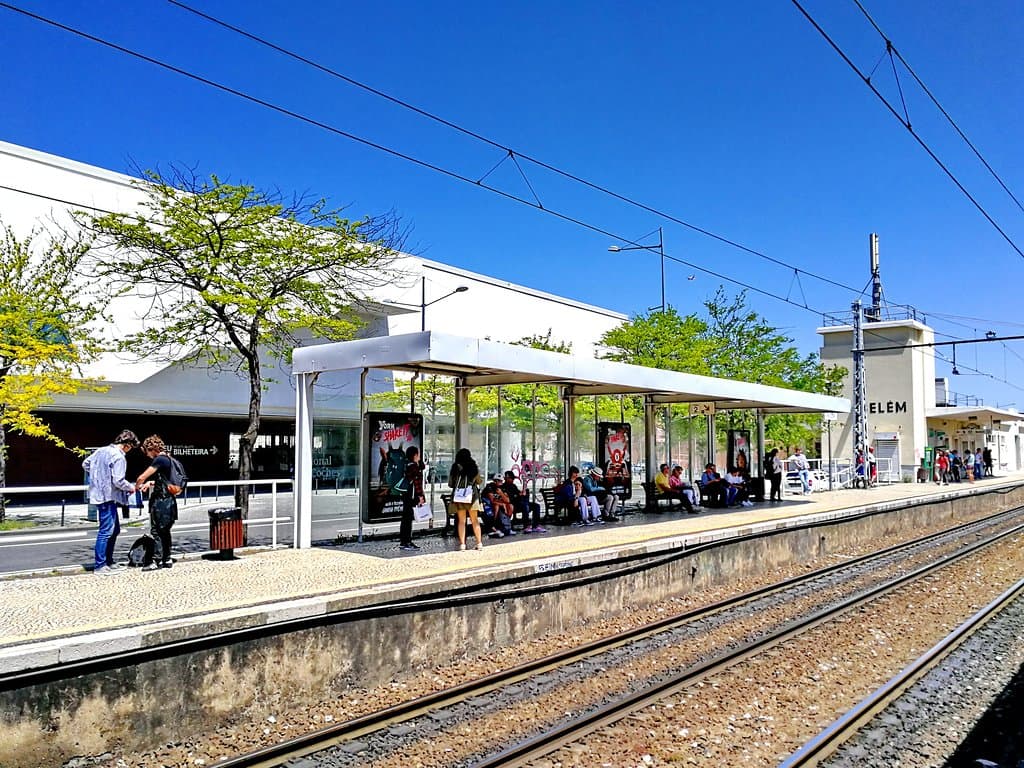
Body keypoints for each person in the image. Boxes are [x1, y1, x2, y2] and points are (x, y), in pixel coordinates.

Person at [83, 429, 139, 575]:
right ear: (127, 445)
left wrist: (97, 476)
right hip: (108, 496)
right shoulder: (119, 457)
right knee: (106, 531)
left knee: (114, 530)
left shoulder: (100, 450)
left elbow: (85, 464)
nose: (129, 450)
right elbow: (119, 480)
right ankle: (101, 565)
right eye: (131, 447)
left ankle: (108, 561)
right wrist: (131, 487)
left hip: (98, 493)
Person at [135, 435, 181, 569]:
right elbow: (165, 481)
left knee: (156, 531)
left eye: (147, 451)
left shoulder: (159, 460)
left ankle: (156, 561)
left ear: (152, 449)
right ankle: (167, 559)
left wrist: (135, 488)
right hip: (170, 501)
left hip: (161, 501)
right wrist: (151, 483)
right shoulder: (169, 459)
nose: (147, 455)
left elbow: (141, 477)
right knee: (165, 531)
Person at [448, 447, 484, 551]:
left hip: (459, 497)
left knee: (461, 521)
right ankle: (479, 543)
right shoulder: (473, 467)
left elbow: (450, 484)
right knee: (474, 520)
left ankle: (462, 544)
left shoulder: (455, 468)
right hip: (472, 497)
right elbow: (479, 481)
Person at [398, 446, 425, 550]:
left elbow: (422, 467)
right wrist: (420, 496)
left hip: (406, 495)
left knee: (405, 517)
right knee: (408, 518)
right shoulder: (413, 467)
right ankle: (407, 542)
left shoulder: (407, 465)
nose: (419, 456)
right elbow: (416, 483)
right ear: (415, 455)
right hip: (412, 495)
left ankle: (404, 541)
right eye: (418, 454)